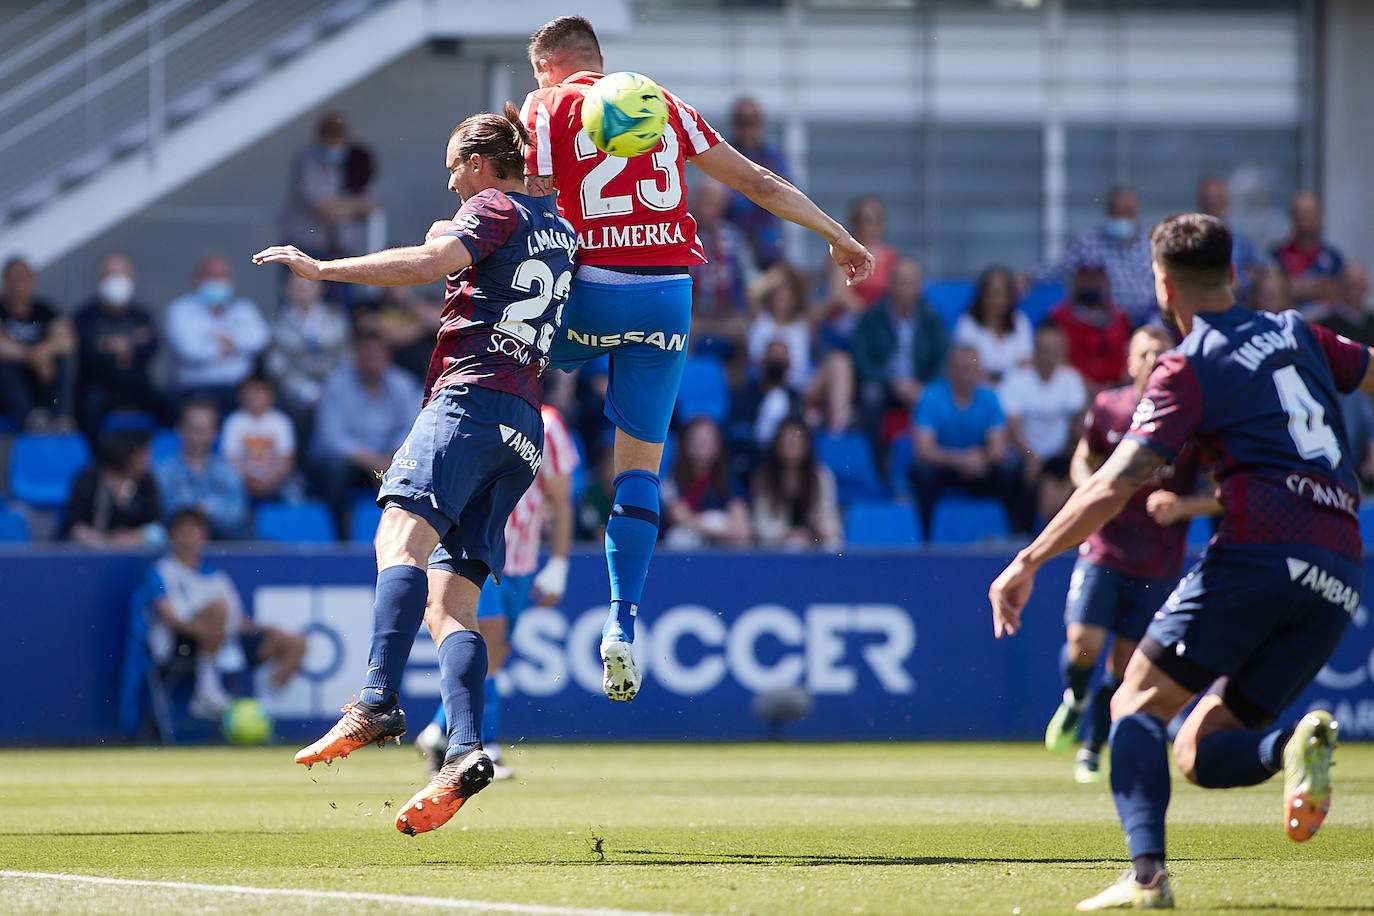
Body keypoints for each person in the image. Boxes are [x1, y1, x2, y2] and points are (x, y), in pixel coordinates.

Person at [990, 214, 1363, 910]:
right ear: (1233, 274)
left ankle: (1147, 879)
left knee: (1134, 701)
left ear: (1164, 287)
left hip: (1260, 548)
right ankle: (1290, 750)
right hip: (1341, 563)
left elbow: (1112, 483)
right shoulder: (1298, 332)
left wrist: (1029, 559)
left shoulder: (1189, 364)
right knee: (1199, 751)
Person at [518, 14, 873, 703]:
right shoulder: (664, 105)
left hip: (589, 291)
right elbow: (761, 184)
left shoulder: (545, 105)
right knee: (639, 471)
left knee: (495, 363)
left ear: (549, 67)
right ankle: (621, 624)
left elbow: (530, 206)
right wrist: (837, 234)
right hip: (666, 298)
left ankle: (470, 516)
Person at [253, 106, 576, 836]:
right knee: (450, 607)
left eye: (452, 165)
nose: (450, 179)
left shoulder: (490, 206)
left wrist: (321, 267)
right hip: (523, 427)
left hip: (468, 401)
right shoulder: (559, 228)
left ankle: (375, 699)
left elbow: (434, 263)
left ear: (479, 162)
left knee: (397, 540)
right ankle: (464, 749)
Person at [1039, 325, 1215, 786]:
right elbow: (1083, 458)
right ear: (1130, 361)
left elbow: (1221, 491)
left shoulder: (1191, 420)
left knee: (1123, 666)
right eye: (1144, 354)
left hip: (1157, 558)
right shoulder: (1108, 406)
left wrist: (1184, 507)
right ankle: (1076, 700)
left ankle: (1092, 750)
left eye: (1161, 353)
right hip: (1105, 546)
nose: (1152, 361)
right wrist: (1092, 488)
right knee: (1083, 642)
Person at [415, 404, 579, 779]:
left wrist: (558, 562)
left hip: (520, 560)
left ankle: (439, 730)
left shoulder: (550, 424)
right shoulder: (475, 410)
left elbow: (560, 500)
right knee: (487, 637)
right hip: (477, 548)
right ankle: (481, 743)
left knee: (495, 653)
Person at [141, 507, 306, 719]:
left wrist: (265, 630)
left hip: (226, 642)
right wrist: (210, 629)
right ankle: (206, 692)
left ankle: (263, 709)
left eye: (194, 530)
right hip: (180, 645)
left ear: (204, 536)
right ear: (173, 535)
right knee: (217, 609)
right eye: (182, 530)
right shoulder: (162, 571)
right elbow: (170, 616)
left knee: (295, 643)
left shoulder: (217, 577)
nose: (189, 536)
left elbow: (237, 621)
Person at [910, 345, 1033, 539]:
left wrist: (978, 459)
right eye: (959, 368)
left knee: (1012, 470)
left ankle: (1018, 535)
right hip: (945, 467)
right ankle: (925, 538)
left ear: (979, 372)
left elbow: (998, 448)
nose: (964, 375)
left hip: (980, 466)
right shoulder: (930, 397)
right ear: (948, 369)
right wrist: (961, 460)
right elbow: (924, 450)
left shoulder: (990, 398)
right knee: (924, 474)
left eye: (969, 369)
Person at [308, 331, 421, 540]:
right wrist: (371, 461)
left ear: (387, 356)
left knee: (419, 466)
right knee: (333, 469)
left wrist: (390, 458)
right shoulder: (336, 385)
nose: (370, 359)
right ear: (355, 356)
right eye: (365, 354)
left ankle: (407, 538)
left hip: (391, 459)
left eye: (376, 354)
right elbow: (331, 437)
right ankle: (341, 536)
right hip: (352, 463)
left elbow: (413, 428)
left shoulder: (403, 384)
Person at [850, 257, 949, 449]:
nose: (906, 289)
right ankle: (877, 458)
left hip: (920, 384)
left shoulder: (931, 317)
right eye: (901, 283)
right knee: (871, 395)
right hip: (886, 384)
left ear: (919, 286)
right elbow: (862, 360)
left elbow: (943, 357)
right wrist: (892, 382)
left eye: (911, 283)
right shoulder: (873, 316)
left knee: (938, 395)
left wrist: (924, 385)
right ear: (890, 285)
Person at [997, 324, 1088, 523]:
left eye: (1054, 350)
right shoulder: (1016, 381)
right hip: (1023, 457)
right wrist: (1030, 456)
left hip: (1059, 458)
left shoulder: (1071, 380)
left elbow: (1079, 424)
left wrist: (1076, 457)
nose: (1049, 356)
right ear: (1035, 351)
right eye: (1045, 350)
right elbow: (1012, 428)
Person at [1034, 185, 1156, 327]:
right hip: (1106, 325)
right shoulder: (1089, 243)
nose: (1123, 217)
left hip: (1148, 323)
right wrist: (1030, 277)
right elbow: (1058, 270)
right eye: (1118, 211)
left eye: (1127, 212)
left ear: (1136, 212)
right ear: (1109, 211)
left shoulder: (1149, 243)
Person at [73, 252, 167, 435]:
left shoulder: (141, 314)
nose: (116, 280)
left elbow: (152, 348)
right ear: (100, 279)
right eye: (110, 274)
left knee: (170, 406)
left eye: (122, 274)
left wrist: (109, 347)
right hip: (99, 387)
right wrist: (132, 345)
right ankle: (97, 460)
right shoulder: (85, 316)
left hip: (137, 386)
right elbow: (89, 353)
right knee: (88, 409)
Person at [163, 255, 270, 413]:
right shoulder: (179, 310)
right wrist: (234, 345)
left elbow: (261, 339)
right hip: (195, 391)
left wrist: (221, 341)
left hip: (239, 392)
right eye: (211, 276)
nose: (218, 281)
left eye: (223, 276)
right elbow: (190, 351)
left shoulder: (244, 309)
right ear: (196, 279)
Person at [280, 111, 376, 262]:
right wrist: (352, 206)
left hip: (343, 250)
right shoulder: (307, 161)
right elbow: (321, 207)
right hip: (306, 247)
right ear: (321, 137)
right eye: (332, 136)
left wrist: (337, 207)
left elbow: (369, 206)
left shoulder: (358, 161)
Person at [262, 272, 352, 427]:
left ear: (321, 288)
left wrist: (332, 388)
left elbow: (346, 357)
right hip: (293, 396)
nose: (303, 290)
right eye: (297, 286)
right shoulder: (276, 322)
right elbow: (277, 366)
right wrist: (306, 390)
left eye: (309, 285)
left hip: (336, 390)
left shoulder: (336, 318)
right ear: (286, 289)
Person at [0, 255, 77, 431]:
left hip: (42, 378)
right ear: (5, 281)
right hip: (11, 387)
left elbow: (68, 341)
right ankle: (31, 419)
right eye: (14, 278)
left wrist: (41, 353)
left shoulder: (45, 310)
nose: (19, 284)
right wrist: (31, 357)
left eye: (23, 278)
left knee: (65, 360)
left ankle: (59, 418)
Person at [154, 399, 249, 541]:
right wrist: (191, 515)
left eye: (203, 430)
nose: (197, 436)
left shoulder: (229, 471)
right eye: (192, 428)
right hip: (176, 542)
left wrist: (208, 510)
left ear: (214, 433)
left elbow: (237, 512)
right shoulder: (163, 472)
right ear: (179, 429)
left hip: (224, 541)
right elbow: (161, 512)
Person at [750, 417, 842, 551]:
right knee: (794, 546)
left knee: (834, 544)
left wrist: (820, 532)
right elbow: (762, 524)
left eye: (797, 439)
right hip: (776, 544)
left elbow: (828, 515)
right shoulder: (764, 477)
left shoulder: (821, 476)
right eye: (786, 440)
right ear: (777, 444)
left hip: (813, 538)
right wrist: (787, 534)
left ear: (806, 444)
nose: (791, 444)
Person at [62, 429, 163, 549]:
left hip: (136, 554)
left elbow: (158, 528)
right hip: (91, 551)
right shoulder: (89, 481)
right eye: (143, 454)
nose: (148, 460)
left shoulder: (147, 484)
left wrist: (135, 537)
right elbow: (73, 524)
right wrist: (98, 540)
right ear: (128, 454)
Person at [662, 416, 752, 549]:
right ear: (686, 444)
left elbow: (741, 521)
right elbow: (680, 516)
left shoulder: (728, 478)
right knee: (679, 537)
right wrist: (718, 529)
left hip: (720, 541)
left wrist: (734, 528)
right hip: (690, 540)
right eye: (698, 440)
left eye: (709, 440)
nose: (703, 444)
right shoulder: (671, 480)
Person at [723, 96, 790, 268]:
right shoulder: (724, 155)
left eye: (752, 121)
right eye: (742, 121)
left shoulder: (773, 157)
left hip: (765, 231)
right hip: (732, 231)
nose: (747, 127)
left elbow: (788, 192)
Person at [1045, 263, 1132, 393]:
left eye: (1096, 279)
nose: (1091, 285)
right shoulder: (1058, 318)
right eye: (1086, 278)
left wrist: (1113, 389)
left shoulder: (1121, 319)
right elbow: (1057, 358)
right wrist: (1088, 387)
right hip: (1075, 392)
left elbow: (1129, 357)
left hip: (1117, 390)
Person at [221, 376, 299, 503]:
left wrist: (269, 480)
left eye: (261, 391)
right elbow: (230, 459)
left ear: (272, 396)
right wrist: (248, 480)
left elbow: (287, 458)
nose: (256, 395)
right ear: (240, 396)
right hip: (241, 481)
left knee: (295, 495)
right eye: (251, 391)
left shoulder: (282, 421)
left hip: (276, 481)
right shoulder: (233, 422)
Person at [1269, 191, 1344, 319]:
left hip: (1325, 329)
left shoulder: (1333, 257)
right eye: (1300, 213)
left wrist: (1295, 286)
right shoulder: (1276, 255)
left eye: (1309, 213)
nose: (1304, 218)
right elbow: (1273, 294)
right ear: (1292, 217)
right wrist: (1318, 287)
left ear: (1320, 216)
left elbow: (1339, 294)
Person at [953, 266, 1033, 383]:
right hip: (978, 387)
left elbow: (1026, 361)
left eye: (1002, 294)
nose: (996, 300)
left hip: (1015, 388)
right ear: (982, 295)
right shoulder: (968, 323)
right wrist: (977, 365)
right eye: (991, 294)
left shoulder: (1020, 322)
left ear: (1010, 297)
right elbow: (968, 360)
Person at [1195, 174, 1266, 299]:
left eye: (1218, 199)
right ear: (1201, 203)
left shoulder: (1241, 241)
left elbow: (1261, 270)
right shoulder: (1188, 241)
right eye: (1208, 199)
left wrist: (1241, 281)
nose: (1213, 204)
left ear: (1226, 202)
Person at [1317, 261, 1374, 346]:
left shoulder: (1371, 321)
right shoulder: (1326, 327)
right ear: (1340, 286)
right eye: (1350, 284)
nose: (1355, 290)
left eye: (1359, 283)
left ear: (1366, 286)